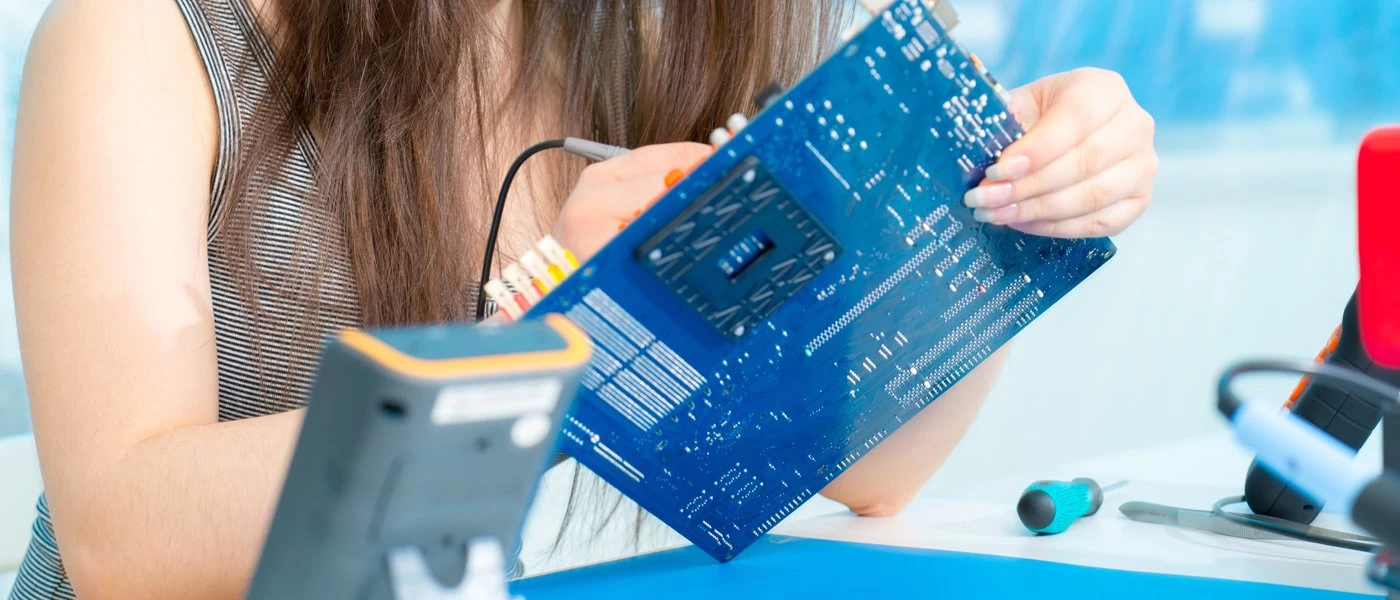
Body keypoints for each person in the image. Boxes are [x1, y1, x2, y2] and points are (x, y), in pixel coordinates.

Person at [8, 0, 1158, 598]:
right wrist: (561, 345)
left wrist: (988, 202)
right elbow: (125, 546)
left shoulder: (650, 42)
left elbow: (869, 469)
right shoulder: (140, 34)